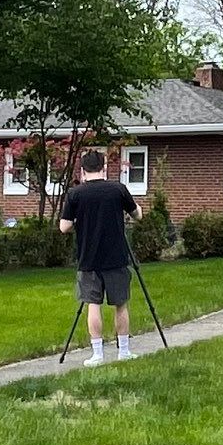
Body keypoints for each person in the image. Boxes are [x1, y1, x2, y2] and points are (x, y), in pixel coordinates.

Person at [57, 145, 140, 362]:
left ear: (82, 171)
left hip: (89, 258)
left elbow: (64, 227)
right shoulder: (118, 189)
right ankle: (124, 351)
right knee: (120, 304)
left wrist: (80, 223)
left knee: (93, 305)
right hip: (116, 257)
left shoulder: (75, 194)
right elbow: (137, 214)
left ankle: (97, 354)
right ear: (104, 168)